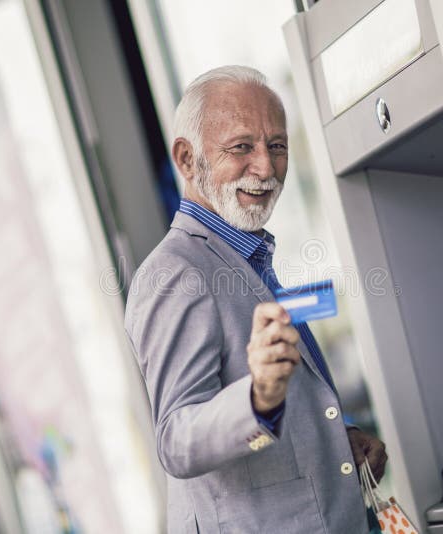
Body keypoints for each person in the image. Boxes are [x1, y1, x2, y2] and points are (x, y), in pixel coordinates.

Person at [125, 65, 386, 533]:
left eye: (277, 146)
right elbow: (176, 440)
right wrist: (258, 397)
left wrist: (338, 438)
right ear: (187, 160)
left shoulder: (246, 254)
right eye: (241, 147)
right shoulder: (173, 273)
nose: (265, 167)